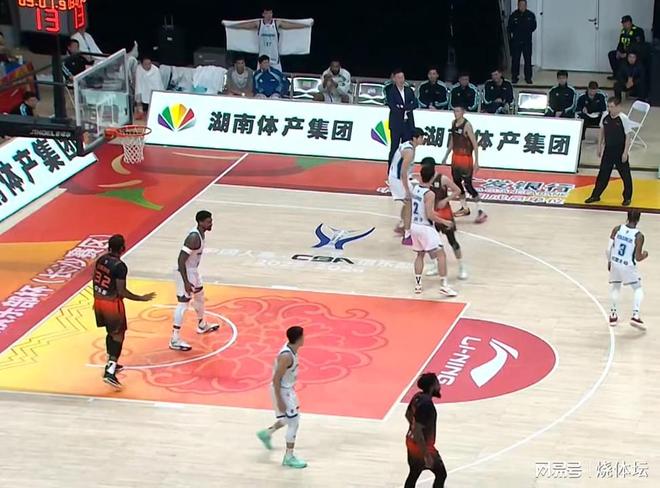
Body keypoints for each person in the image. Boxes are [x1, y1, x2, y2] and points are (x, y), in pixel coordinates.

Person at [93, 234, 155, 389]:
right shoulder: (120, 266)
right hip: (111, 304)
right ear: (122, 248)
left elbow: (95, 280)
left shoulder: (101, 260)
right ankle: (110, 371)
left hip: (98, 300)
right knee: (119, 335)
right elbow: (122, 291)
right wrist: (141, 298)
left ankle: (111, 362)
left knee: (111, 332)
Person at [256, 326, 307, 469]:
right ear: (299, 339)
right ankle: (289, 457)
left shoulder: (292, 348)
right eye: (303, 336)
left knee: (290, 417)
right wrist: (279, 400)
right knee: (294, 422)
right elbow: (276, 379)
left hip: (288, 389)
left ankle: (266, 433)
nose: (305, 338)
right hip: (282, 390)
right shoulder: (286, 356)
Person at [170, 211, 220, 351]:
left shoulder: (201, 234)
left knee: (199, 296)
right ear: (200, 222)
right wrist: (186, 281)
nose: (211, 224)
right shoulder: (193, 238)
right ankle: (174, 339)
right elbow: (181, 260)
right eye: (208, 221)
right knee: (183, 304)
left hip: (193, 271)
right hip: (184, 272)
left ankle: (202, 325)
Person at [411, 165, 459, 297]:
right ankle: (444, 286)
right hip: (425, 227)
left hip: (414, 225)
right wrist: (445, 221)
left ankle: (418, 285)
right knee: (441, 255)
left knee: (420, 255)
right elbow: (430, 215)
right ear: (432, 177)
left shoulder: (415, 189)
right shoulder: (430, 194)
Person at [421, 158, 468, 280]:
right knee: (431, 242)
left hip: (445, 213)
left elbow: (457, 190)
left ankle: (462, 267)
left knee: (452, 241)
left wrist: (446, 200)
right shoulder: (424, 178)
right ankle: (436, 265)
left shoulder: (442, 179)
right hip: (431, 213)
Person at [225, 8, 310, 72]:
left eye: (270, 13)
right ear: (263, 14)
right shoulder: (258, 23)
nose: (269, 15)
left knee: (277, 79)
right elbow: (244, 25)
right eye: (267, 13)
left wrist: (305, 25)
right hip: (262, 59)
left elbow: (291, 25)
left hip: (275, 59)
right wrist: (230, 25)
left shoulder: (277, 23)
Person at [585, 97, 634, 206]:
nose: (609, 109)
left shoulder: (623, 118)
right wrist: (599, 146)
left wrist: (625, 152)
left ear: (618, 107)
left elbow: (628, 136)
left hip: (620, 150)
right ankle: (595, 195)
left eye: (612, 107)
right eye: (608, 106)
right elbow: (601, 131)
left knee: (625, 175)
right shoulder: (605, 116)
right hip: (608, 150)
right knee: (603, 174)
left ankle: (627, 197)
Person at [442, 106, 487, 223]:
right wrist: (446, 156)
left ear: (463, 112)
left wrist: (477, 161)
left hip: (465, 158)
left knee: (468, 185)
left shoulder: (467, 125)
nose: (455, 113)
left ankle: (481, 210)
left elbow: (475, 144)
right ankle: (464, 207)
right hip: (455, 157)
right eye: (454, 111)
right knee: (457, 183)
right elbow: (452, 141)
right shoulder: (453, 123)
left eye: (457, 111)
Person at [404, 373, 448, 488]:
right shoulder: (427, 405)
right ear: (432, 386)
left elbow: (408, 414)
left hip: (410, 441)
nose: (439, 386)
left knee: (414, 473)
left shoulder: (417, 396)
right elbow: (418, 432)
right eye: (437, 383)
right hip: (422, 446)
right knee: (441, 474)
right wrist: (426, 454)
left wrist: (413, 427)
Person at [607, 210, 648, 330]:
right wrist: (645, 255)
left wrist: (609, 261)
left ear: (627, 217)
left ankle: (613, 315)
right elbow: (638, 257)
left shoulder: (617, 229)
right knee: (638, 289)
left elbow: (608, 248)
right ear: (638, 219)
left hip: (615, 262)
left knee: (615, 287)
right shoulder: (638, 236)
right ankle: (635, 315)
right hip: (627, 265)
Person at [389, 128, 427, 246]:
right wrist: (406, 190)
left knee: (408, 203)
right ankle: (407, 235)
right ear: (415, 138)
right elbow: (403, 173)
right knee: (409, 202)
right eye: (421, 137)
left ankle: (402, 224)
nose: (423, 139)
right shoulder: (409, 151)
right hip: (397, 179)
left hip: (398, 177)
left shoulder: (408, 145)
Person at [386, 69, 418, 172]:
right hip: (396, 124)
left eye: (402, 77)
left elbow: (415, 104)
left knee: (407, 148)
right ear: (394, 79)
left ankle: (405, 171)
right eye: (399, 78)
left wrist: (403, 107)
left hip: (408, 124)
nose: (401, 80)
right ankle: (391, 170)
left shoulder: (409, 90)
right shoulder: (390, 91)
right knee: (394, 148)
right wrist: (406, 107)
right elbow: (393, 107)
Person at [608, 15, 645, 80]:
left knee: (626, 58)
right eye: (623, 23)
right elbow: (620, 43)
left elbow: (638, 46)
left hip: (633, 53)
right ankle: (616, 74)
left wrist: (627, 54)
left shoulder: (638, 30)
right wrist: (618, 51)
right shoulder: (623, 31)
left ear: (630, 22)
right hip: (624, 52)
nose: (624, 24)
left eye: (625, 22)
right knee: (611, 54)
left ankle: (627, 77)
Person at [508, 0, 537, 84]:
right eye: (520, 5)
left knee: (528, 60)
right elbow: (510, 28)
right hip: (516, 42)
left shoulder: (530, 15)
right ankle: (514, 77)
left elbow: (534, 26)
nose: (522, 6)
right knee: (515, 60)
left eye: (523, 5)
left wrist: (526, 32)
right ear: (518, 5)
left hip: (527, 41)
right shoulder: (513, 15)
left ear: (526, 5)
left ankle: (528, 77)